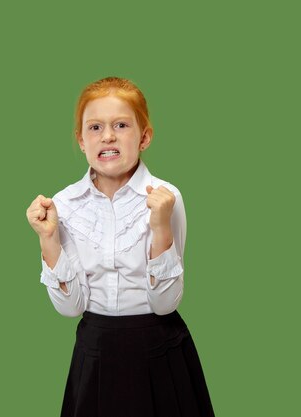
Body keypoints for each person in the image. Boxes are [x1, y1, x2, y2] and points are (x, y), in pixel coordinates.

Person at [26, 76, 215, 417]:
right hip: (95, 350)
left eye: (121, 125)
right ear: (81, 140)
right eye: (95, 127)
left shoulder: (166, 197)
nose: (108, 136)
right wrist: (48, 240)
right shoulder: (64, 204)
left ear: (144, 137)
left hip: (160, 351)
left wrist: (160, 227)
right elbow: (71, 308)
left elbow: (165, 302)